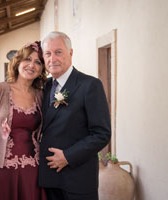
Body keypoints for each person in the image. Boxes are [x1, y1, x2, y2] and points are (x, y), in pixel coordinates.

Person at [38, 31, 111, 200]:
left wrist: (67, 157)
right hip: (50, 179)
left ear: (70, 53)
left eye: (58, 52)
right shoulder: (46, 86)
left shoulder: (90, 85)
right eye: (48, 53)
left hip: (78, 178)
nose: (52, 58)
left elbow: (102, 134)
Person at [0, 41, 47, 200]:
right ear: (18, 62)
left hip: (32, 169)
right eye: (27, 59)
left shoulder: (41, 95)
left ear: (42, 69)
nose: (31, 65)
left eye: (37, 62)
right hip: (1, 169)